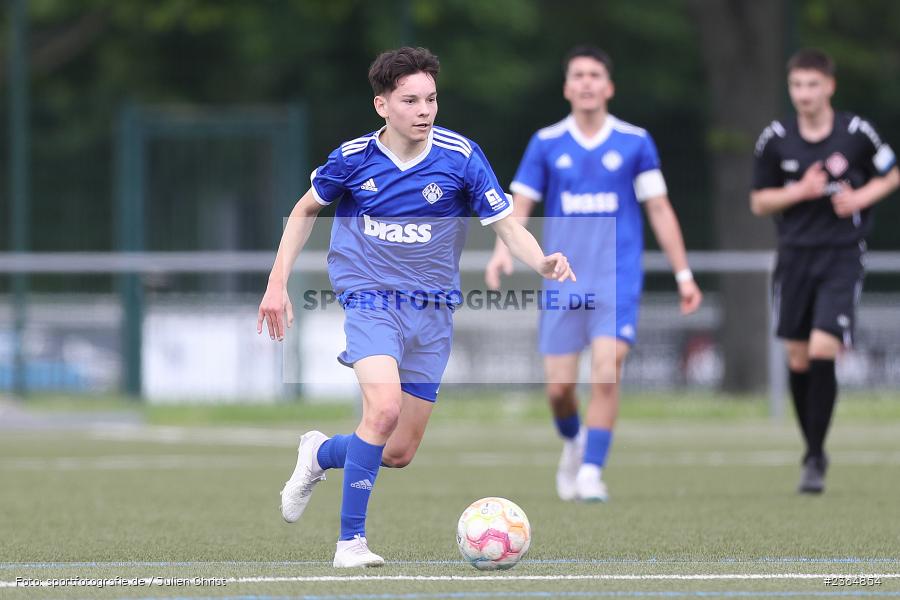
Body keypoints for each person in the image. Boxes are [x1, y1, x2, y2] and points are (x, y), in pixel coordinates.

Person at [257, 47, 575, 568]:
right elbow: (305, 210)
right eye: (410, 100)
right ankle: (350, 544)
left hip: (433, 311)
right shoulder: (354, 159)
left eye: (430, 98)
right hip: (370, 299)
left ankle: (318, 453)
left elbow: (506, 223)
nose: (424, 110)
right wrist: (277, 282)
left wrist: (541, 263)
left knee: (398, 450)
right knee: (380, 411)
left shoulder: (462, 157)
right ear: (382, 105)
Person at [485, 45, 702, 503]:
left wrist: (684, 274)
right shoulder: (546, 143)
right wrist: (504, 252)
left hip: (616, 278)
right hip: (563, 282)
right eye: (578, 75)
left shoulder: (635, 141)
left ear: (609, 87)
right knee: (560, 390)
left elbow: (659, 208)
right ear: (567, 87)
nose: (586, 82)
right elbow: (520, 203)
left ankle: (590, 473)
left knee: (607, 373)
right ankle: (574, 443)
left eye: (595, 75)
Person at [751, 48, 898, 494]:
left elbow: (891, 174)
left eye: (813, 85)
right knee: (797, 358)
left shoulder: (856, 132)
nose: (805, 94)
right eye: (797, 85)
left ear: (829, 87)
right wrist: (799, 191)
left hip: (841, 255)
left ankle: (814, 457)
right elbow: (759, 202)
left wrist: (860, 198)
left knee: (822, 350)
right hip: (794, 256)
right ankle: (813, 445)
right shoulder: (775, 138)